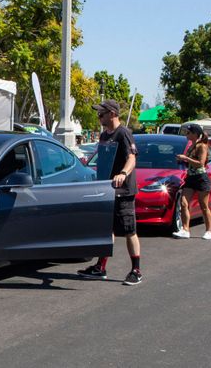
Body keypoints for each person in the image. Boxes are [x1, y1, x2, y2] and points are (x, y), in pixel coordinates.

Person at [78, 100, 143, 286]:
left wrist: (123, 173)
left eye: (102, 113)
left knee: (129, 231)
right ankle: (101, 267)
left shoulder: (123, 134)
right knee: (107, 230)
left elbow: (132, 158)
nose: (99, 117)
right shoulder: (104, 135)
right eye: (99, 113)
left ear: (113, 114)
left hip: (123, 191)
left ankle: (136, 270)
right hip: (107, 190)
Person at [173, 124, 211, 240]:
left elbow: (200, 163)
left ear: (195, 134)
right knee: (184, 203)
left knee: (204, 206)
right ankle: (185, 229)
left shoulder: (202, 146)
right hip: (190, 178)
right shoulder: (192, 146)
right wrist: (182, 160)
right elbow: (190, 163)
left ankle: (208, 231)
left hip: (201, 178)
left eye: (189, 133)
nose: (187, 135)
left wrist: (186, 158)